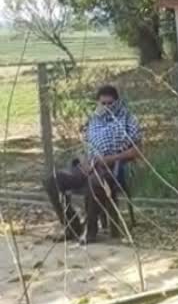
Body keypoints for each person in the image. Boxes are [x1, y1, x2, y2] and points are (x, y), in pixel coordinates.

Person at [43, 85, 142, 244]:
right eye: (103, 104)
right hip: (88, 165)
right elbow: (82, 146)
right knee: (52, 181)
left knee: (94, 182)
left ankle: (90, 230)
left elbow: (136, 151)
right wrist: (83, 161)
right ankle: (72, 226)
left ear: (117, 102)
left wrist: (108, 159)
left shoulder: (127, 119)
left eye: (111, 104)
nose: (107, 107)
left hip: (111, 168)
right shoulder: (92, 120)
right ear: (98, 103)